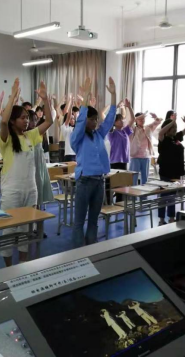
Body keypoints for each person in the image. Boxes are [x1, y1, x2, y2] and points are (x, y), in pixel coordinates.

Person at [0, 79, 53, 266]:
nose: (26, 120)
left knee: (26, 229)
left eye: (27, 117)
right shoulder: (5, 138)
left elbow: (49, 121)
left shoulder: (31, 136)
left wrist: (46, 99)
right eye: (22, 117)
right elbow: (3, 121)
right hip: (12, 190)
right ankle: (8, 268)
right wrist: (13, 96)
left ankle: (22, 264)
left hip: (31, 189)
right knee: (9, 229)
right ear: (13, 121)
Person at [71, 77, 117, 248]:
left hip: (99, 181)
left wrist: (113, 95)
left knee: (93, 220)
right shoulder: (77, 137)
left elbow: (110, 119)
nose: (95, 122)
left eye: (96, 119)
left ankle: (91, 250)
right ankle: (78, 253)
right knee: (79, 222)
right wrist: (85, 96)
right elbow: (80, 121)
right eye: (92, 119)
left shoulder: (98, 135)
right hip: (84, 181)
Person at [157, 116, 185, 225]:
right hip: (166, 172)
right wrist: (172, 122)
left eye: (175, 127)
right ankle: (161, 220)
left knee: (172, 196)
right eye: (172, 128)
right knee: (164, 196)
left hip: (176, 173)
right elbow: (161, 132)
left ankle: (171, 218)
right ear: (167, 128)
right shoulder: (163, 139)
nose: (175, 129)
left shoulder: (175, 138)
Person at [129, 112, 162, 186]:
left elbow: (157, 122)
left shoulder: (148, 128)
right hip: (135, 156)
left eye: (143, 119)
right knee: (133, 177)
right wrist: (136, 118)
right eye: (140, 119)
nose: (142, 120)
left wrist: (155, 117)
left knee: (145, 178)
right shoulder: (133, 128)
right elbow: (129, 123)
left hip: (146, 156)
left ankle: (143, 192)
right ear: (136, 120)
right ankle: (133, 192)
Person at [108, 99, 135, 171]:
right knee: (115, 178)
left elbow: (133, 119)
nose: (122, 121)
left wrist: (129, 107)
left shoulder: (125, 131)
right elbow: (109, 120)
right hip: (115, 161)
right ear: (114, 122)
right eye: (119, 120)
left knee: (124, 177)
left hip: (124, 160)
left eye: (122, 119)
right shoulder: (112, 133)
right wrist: (116, 107)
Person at [60, 95, 76, 162]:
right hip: (69, 154)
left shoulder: (75, 128)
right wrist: (71, 105)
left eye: (73, 119)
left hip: (76, 153)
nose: (72, 120)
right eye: (71, 119)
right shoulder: (65, 127)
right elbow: (68, 117)